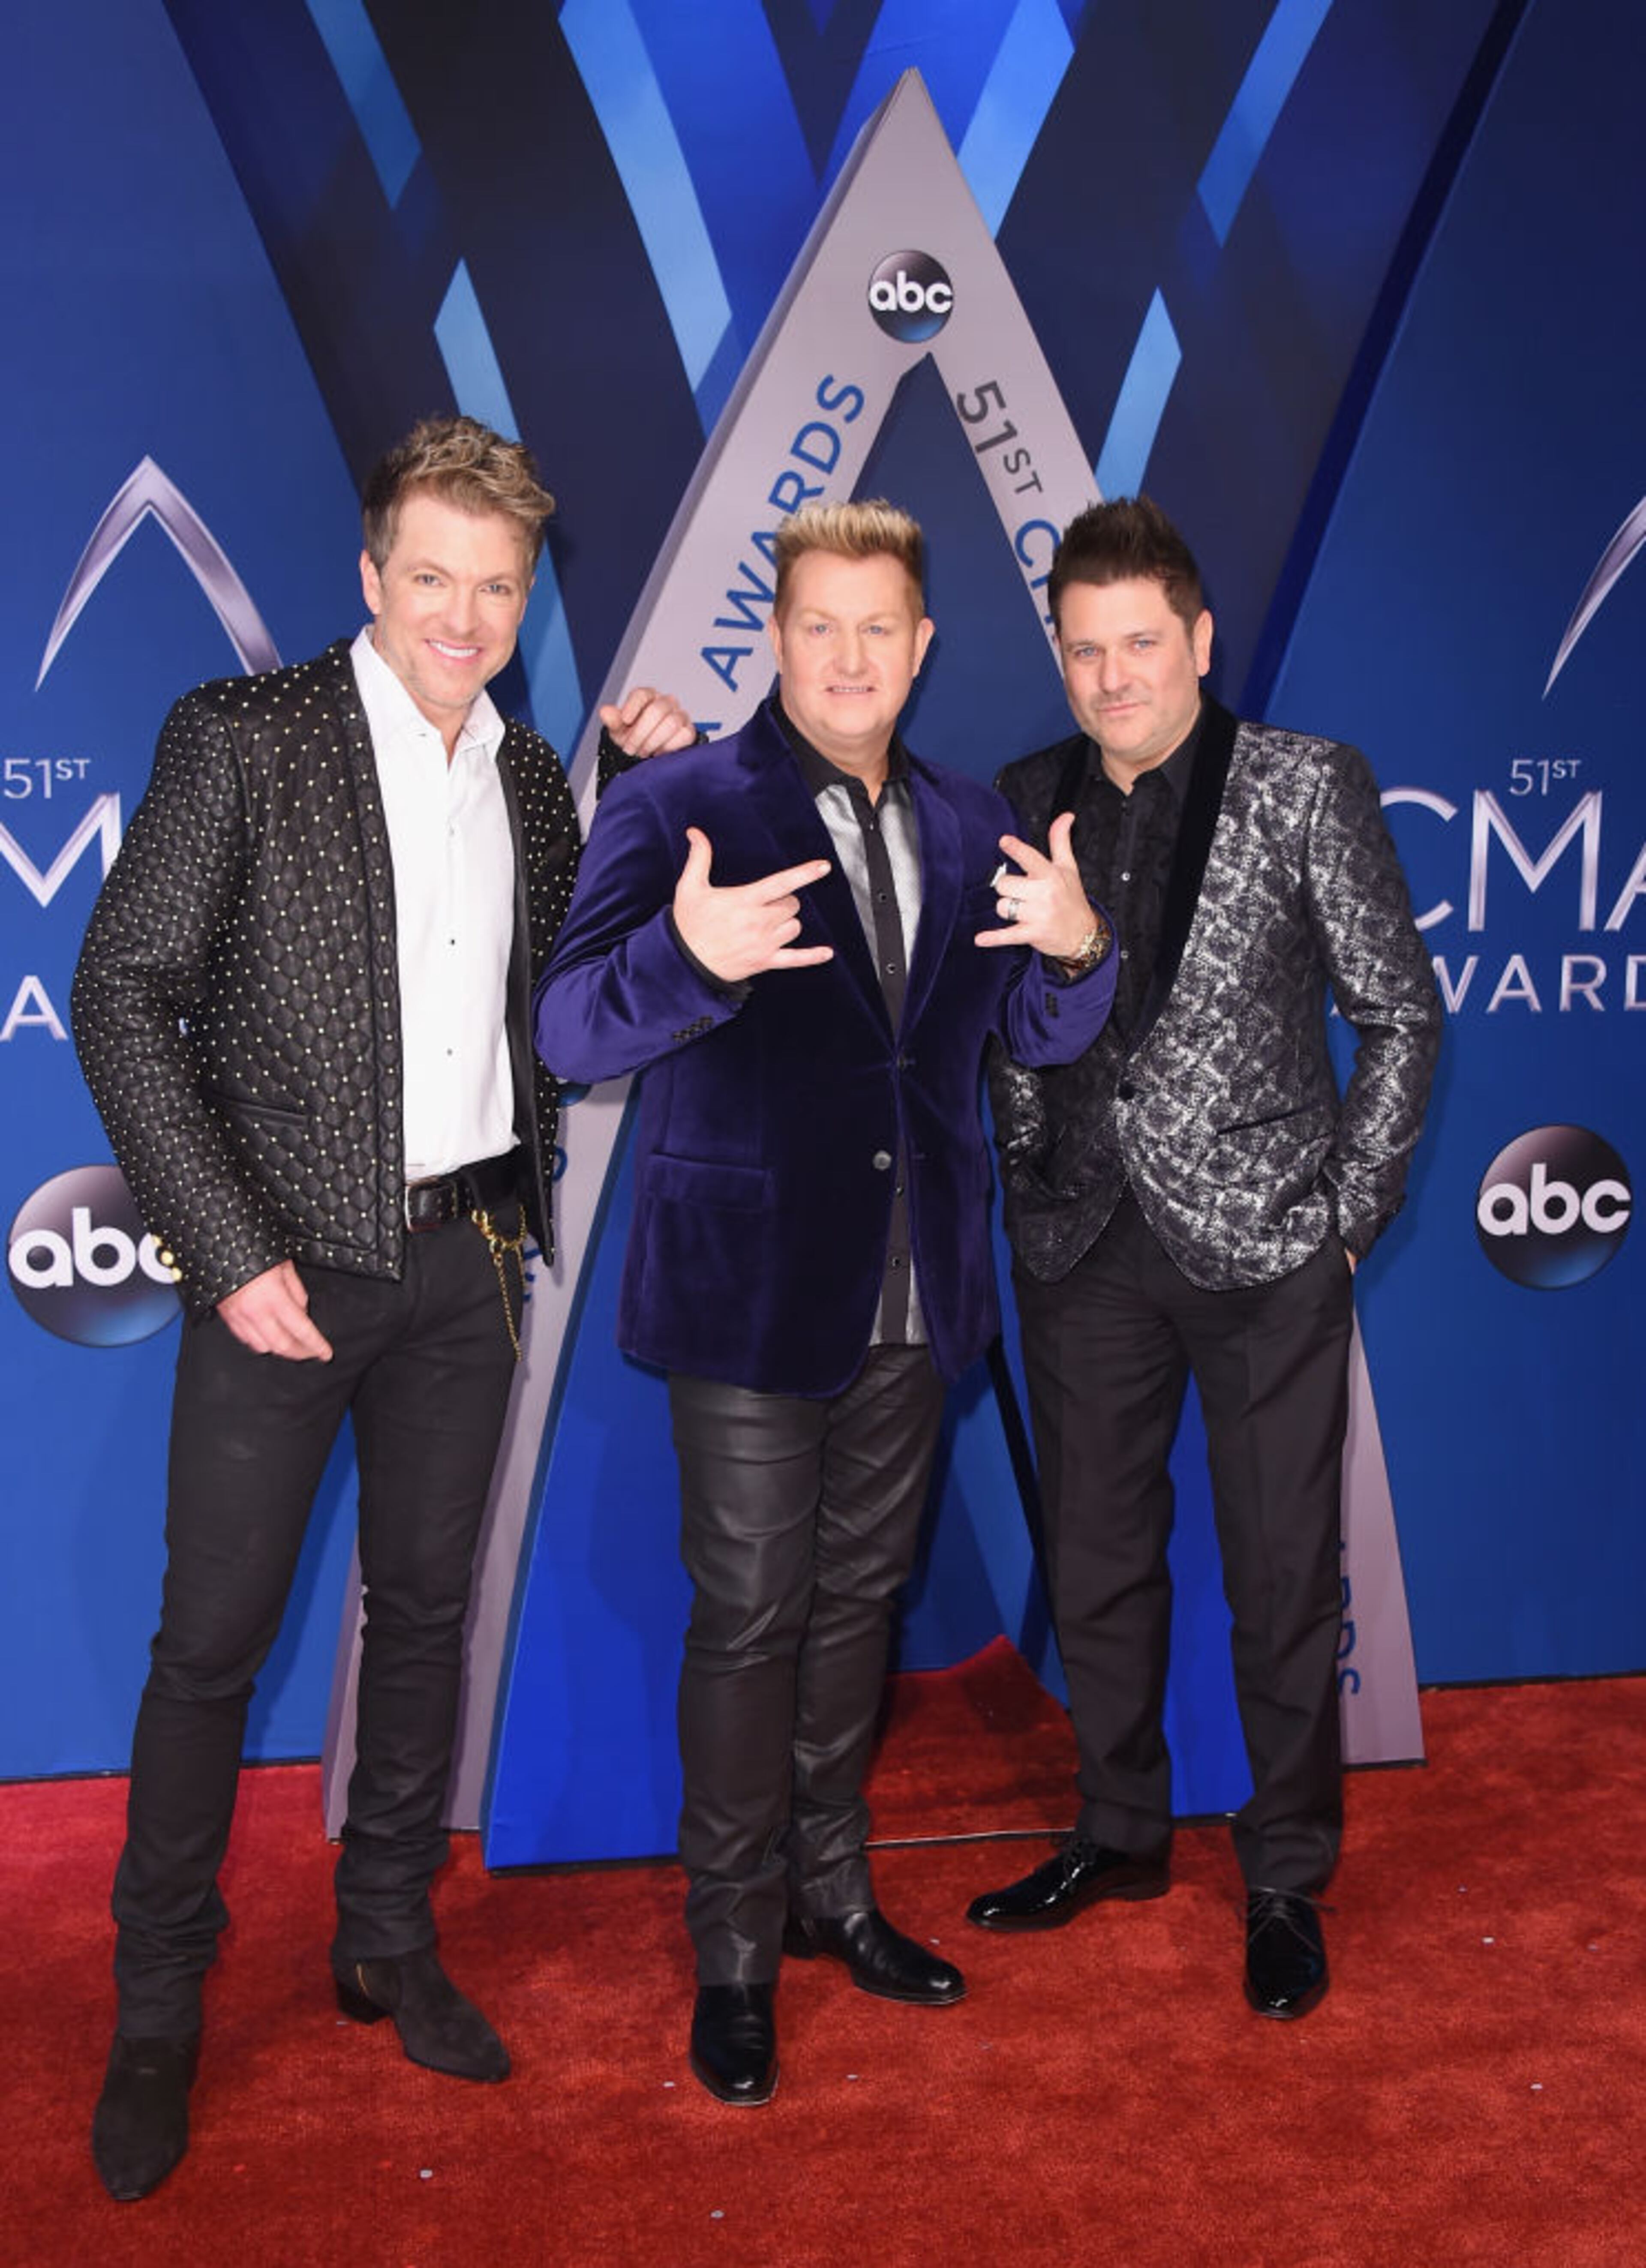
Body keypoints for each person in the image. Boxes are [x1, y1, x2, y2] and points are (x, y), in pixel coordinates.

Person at [70, 413, 693, 2201]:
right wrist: (226, 1243)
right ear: (371, 575)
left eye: (497, 586)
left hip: (471, 1268)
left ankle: (386, 1939)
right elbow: (123, 997)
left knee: (426, 1624)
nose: (465, 613)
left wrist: (642, 790)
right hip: (283, 1272)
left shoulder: (529, 783)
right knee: (211, 1654)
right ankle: (157, 2012)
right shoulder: (244, 739)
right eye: (434, 577)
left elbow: (581, 1004)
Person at [535, 499, 1118, 2105]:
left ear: (922, 646)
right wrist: (689, 953)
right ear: (776, 639)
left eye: (882, 628)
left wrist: (1078, 958)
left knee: (860, 1607)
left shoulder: (964, 813)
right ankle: (733, 1946)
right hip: (745, 1293)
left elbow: (1030, 1039)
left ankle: (831, 1888)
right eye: (820, 626)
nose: (851, 656)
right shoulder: (681, 801)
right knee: (750, 1616)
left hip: (922, 1291)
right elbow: (573, 1031)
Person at [965, 497, 1441, 2017]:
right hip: (1080, 1248)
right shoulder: (1019, 793)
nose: (1114, 677)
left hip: (1263, 1250)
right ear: (1059, 649)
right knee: (1099, 1565)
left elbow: (1403, 1014)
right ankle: (1119, 1827)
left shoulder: (1306, 785)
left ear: (1200, 640)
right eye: (1087, 649)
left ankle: (1287, 1871)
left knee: (1284, 1574)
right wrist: (1030, 1156)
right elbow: (1001, 1026)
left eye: (1142, 646)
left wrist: (1346, 1220)